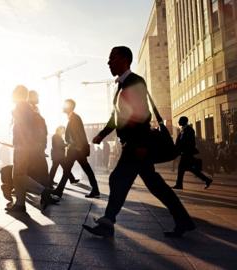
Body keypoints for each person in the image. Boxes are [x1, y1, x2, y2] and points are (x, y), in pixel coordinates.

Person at [83, 46, 195, 238]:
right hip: (134, 144)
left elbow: (143, 115)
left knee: (118, 179)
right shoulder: (121, 85)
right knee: (154, 184)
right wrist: (102, 134)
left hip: (136, 145)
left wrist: (142, 144)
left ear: (125, 59)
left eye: (112, 58)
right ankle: (183, 220)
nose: (109, 62)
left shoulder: (135, 82)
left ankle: (108, 222)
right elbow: (116, 116)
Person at [5, 85, 57, 214]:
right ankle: (20, 204)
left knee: (19, 175)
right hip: (25, 147)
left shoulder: (20, 108)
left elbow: (23, 129)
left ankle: (43, 192)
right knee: (17, 175)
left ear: (17, 95)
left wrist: (21, 144)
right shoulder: (28, 108)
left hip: (22, 147)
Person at [53, 99, 100, 198]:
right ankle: (95, 189)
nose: (62, 107)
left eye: (64, 105)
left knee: (69, 170)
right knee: (78, 169)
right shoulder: (72, 118)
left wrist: (78, 147)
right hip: (76, 150)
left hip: (76, 150)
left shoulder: (74, 118)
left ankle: (59, 191)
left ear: (69, 107)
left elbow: (78, 134)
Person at [173, 116, 213, 190]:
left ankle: (179, 185)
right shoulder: (183, 130)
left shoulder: (189, 130)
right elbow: (179, 142)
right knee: (190, 169)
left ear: (184, 121)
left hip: (187, 153)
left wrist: (182, 149)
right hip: (185, 153)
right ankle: (207, 180)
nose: (178, 122)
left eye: (180, 121)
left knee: (181, 168)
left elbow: (189, 142)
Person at [27, 90, 51, 188]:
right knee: (38, 168)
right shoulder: (30, 109)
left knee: (37, 168)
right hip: (34, 146)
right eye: (37, 96)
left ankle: (45, 188)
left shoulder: (35, 108)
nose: (38, 99)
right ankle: (45, 189)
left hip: (38, 145)